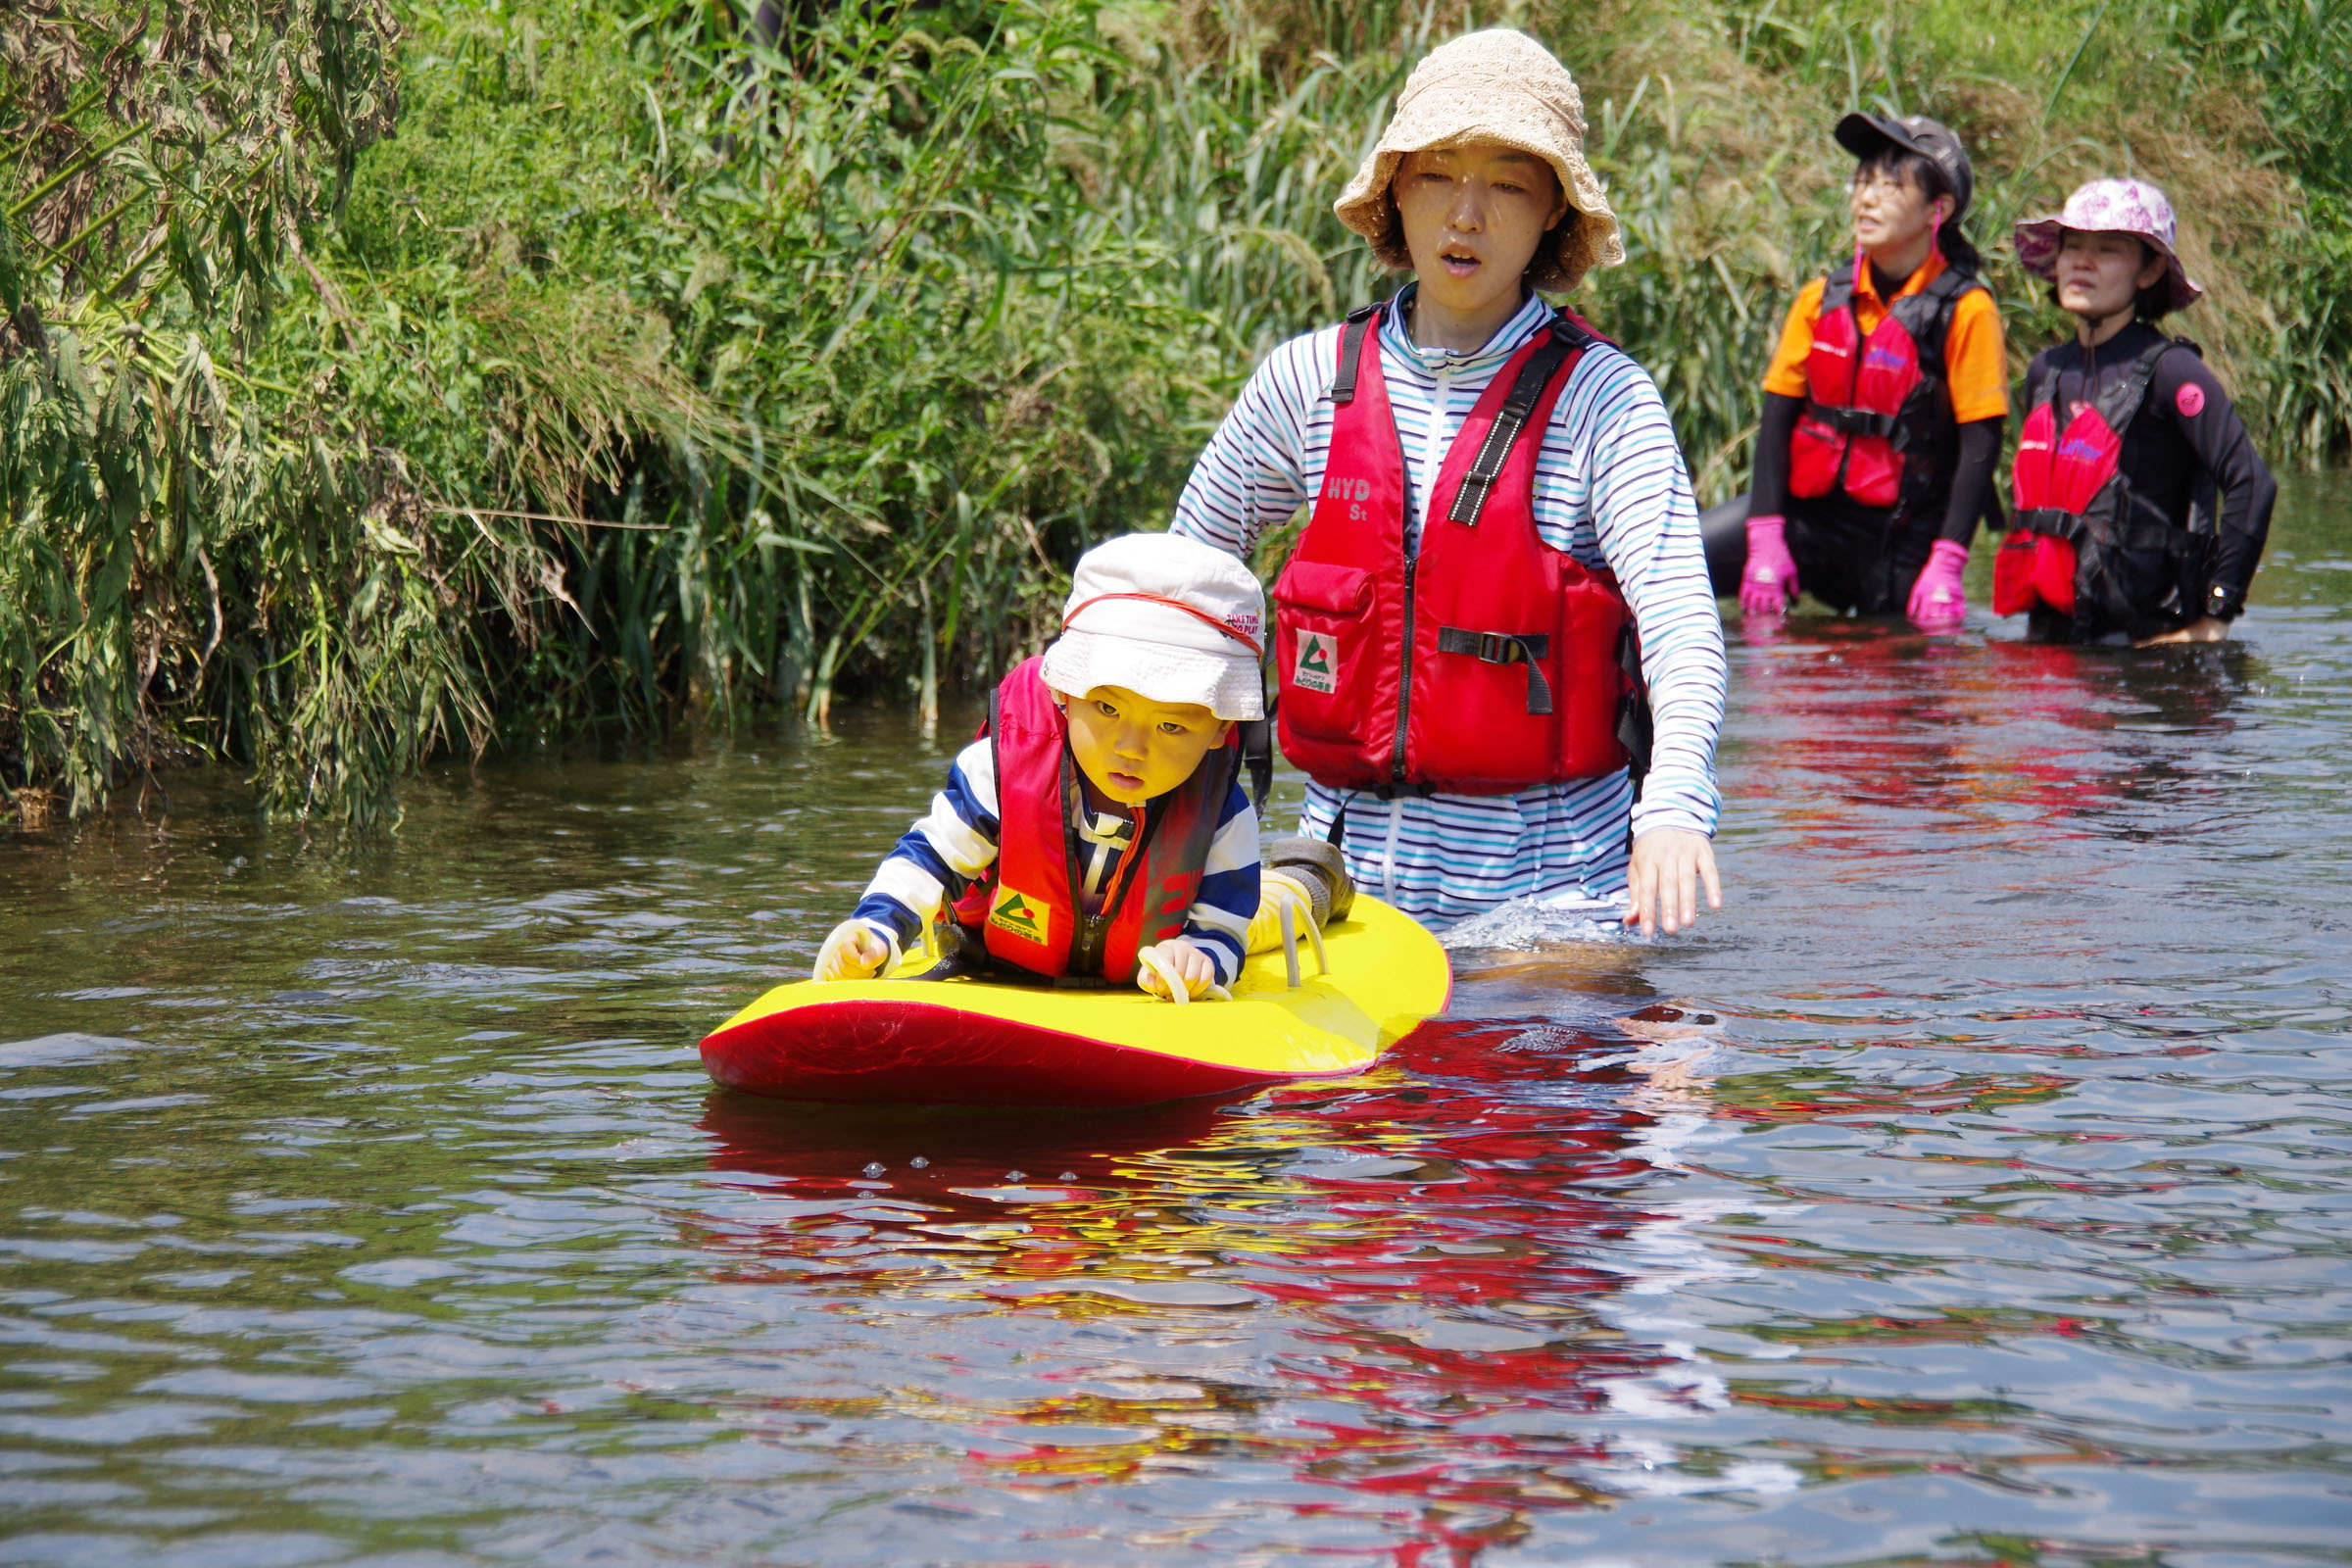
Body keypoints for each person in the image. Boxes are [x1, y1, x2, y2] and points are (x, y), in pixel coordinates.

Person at [1170, 28, 1726, 937]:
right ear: (1395, 190)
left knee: (1584, 1054)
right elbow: (1183, 584)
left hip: (1555, 903)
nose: (1466, 215)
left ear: (1554, 212)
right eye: (1437, 175)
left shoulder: (1605, 400)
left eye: (1508, 183)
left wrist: (1672, 807)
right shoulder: (1309, 380)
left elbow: (1680, 622)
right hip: (1334, 897)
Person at [811, 532, 1351, 1002]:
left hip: (1145, 968)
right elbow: (929, 859)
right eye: (1109, 709)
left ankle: (1309, 879)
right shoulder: (999, 772)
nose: (1131, 748)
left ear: (1219, 731)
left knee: (1263, 916)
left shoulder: (1224, 816)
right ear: (1065, 690)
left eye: (1171, 726)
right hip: (1000, 965)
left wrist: (1199, 957)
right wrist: (874, 929)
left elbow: (1224, 926)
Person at [1716, 113, 2009, 629]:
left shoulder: (1967, 310)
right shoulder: (1818, 300)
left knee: (1890, 687)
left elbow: (1981, 447)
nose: (1866, 199)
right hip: (1809, 522)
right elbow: (1776, 424)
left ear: (1935, 210)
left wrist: (1947, 562)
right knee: (1668, 564)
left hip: (1903, 537)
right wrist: (1764, 538)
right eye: (1863, 182)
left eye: (1892, 186)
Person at [1995, 177, 2277, 645]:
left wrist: (2216, 614)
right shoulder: (2045, 371)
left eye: (2107, 250)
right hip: (2049, 637)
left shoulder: (2173, 372)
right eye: (2072, 246)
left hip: (2142, 651)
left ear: (2147, 273)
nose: (2082, 261)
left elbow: (2251, 481)